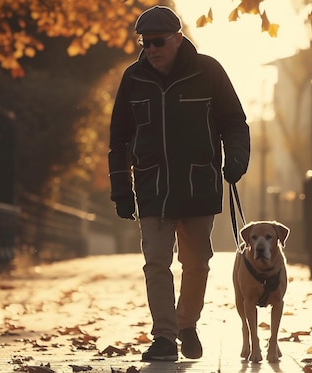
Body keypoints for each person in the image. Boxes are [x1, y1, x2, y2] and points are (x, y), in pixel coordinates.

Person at [107, 5, 250, 362]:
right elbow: (119, 140)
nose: (151, 49)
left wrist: (236, 160)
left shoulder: (208, 72)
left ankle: (187, 324)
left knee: (197, 262)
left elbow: (234, 122)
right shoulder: (133, 79)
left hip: (198, 185)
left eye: (158, 42)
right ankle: (165, 338)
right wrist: (121, 190)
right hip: (152, 187)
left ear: (178, 39)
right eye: (145, 42)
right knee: (156, 262)